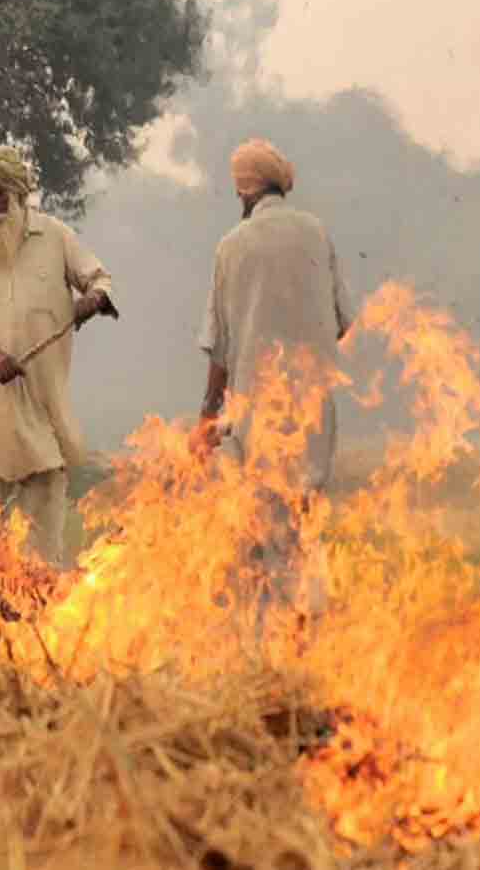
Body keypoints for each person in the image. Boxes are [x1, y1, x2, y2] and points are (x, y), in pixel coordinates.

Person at [195, 138, 354, 618]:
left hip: (255, 407)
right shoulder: (317, 233)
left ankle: (272, 641)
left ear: (244, 192)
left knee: (261, 527)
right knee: (303, 516)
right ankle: (309, 625)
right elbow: (343, 321)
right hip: (314, 405)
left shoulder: (232, 245)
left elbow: (220, 347)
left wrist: (206, 415)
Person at [0, 144, 117, 567]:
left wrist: (90, 302)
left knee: (41, 548)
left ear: (17, 193)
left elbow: (100, 279)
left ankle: (42, 612)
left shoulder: (55, 236)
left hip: (43, 408)